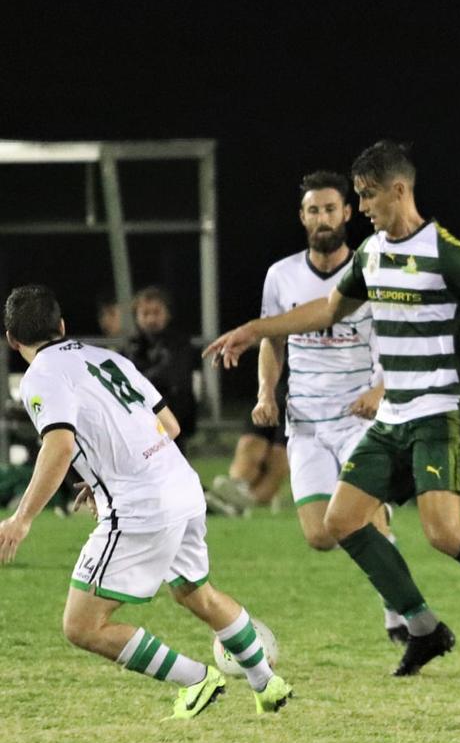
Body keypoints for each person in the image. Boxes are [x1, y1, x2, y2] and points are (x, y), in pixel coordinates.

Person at [204, 140, 460, 678]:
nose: (363, 207)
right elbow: (327, 311)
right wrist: (253, 330)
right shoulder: (371, 254)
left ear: (399, 190)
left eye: (368, 196)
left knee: (444, 533)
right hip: (394, 415)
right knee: (341, 520)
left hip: (440, 411)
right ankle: (423, 629)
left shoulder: (444, 251)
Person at [0, 284, 292, 718]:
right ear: (61, 326)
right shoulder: (107, 357)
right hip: (182, 486)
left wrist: (20, 520)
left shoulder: (40, 375)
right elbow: (169, 426)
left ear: (12, 340)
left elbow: (58, 447)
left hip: (142, 506)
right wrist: (103, 470)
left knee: (81, 625)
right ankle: (267, 684)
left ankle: (196, 679)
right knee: (198, 592)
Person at [214, 170, 407, 642]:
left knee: (358, 521)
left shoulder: (370, 268)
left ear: (347, 212)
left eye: (330, 208)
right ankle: (381, 523)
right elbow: (272, 338)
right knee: (321, 535)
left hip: (362, 419)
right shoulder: (281, 275)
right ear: (302, 217)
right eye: (313, 210)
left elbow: (391, 338)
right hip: (305, 421)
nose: (323, 218)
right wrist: (265, 393)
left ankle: (400, 613)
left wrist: (379, 391)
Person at [126, 286, 198, 456]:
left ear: (168, 314)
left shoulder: (180, 343)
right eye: (145, 313)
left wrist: (142, 380)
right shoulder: (131, 346)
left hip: (174, 417)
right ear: (136, 316)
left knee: (175, 467)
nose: (151, 319)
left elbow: (173, 375)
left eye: (156, 312)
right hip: (140, 420)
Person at [208, 387, 289, 515]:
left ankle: (246, 501)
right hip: (272, 390)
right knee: (250, 443)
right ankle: (235, 492)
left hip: (307, 398)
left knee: (279, 455)